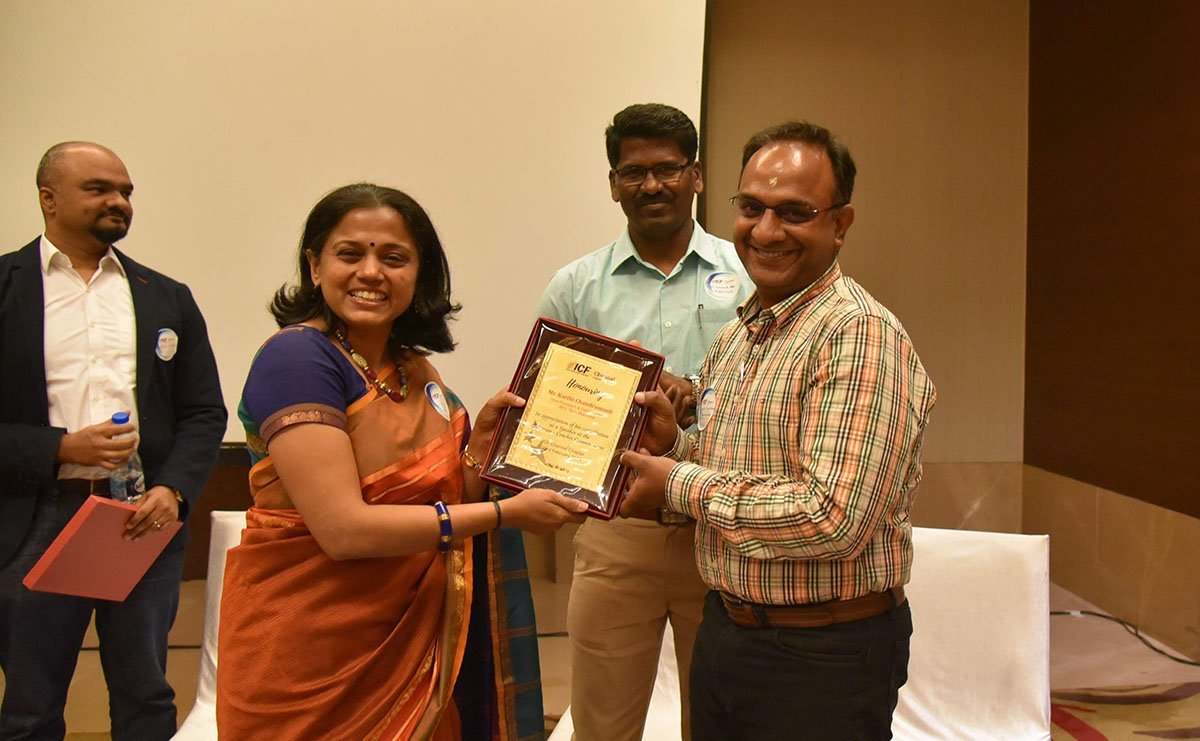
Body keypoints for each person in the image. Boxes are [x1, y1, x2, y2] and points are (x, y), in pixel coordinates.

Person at [216, 183, 589, 739]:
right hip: (309, 651)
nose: (371, 272)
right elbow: (343, 531)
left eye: (394, 258)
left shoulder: (414, 370)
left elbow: (441, 498)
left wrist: (479, 452)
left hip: (413, 646)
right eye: (350, 254)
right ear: (315, 266)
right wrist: (504, 514)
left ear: (419, 276)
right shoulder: (297, 359)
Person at [619, 121, 937, 741]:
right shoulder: (739, 334)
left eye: (795, 212)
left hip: (823, 656)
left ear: (840, 224)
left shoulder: (858, 335)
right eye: (752, 208)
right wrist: (672, 446)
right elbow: (733, 467)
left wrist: (675, 483)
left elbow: (832, 517)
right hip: (727, 630)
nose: (766, 231)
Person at [534, 103, 750, 741]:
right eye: (633, 172)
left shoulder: (748, 276)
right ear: (613, 184)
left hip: (721, 531)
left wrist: (698, 396)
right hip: (617, 531)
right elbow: (549, 409)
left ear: (696, 176)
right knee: (602, 725)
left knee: (719, 724)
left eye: (668, 169)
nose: (651, 185)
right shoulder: (575, 286)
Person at [0, 142, 227, 739]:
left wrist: (175, 491)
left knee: (146, 696)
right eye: (99, 188)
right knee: (29, 706)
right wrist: (59, 448)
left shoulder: (166, 295)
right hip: (33, 520)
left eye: (125, 191)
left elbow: (204, 412)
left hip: (141, 518)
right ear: (49, 199)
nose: (119, 201)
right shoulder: (4, 285)